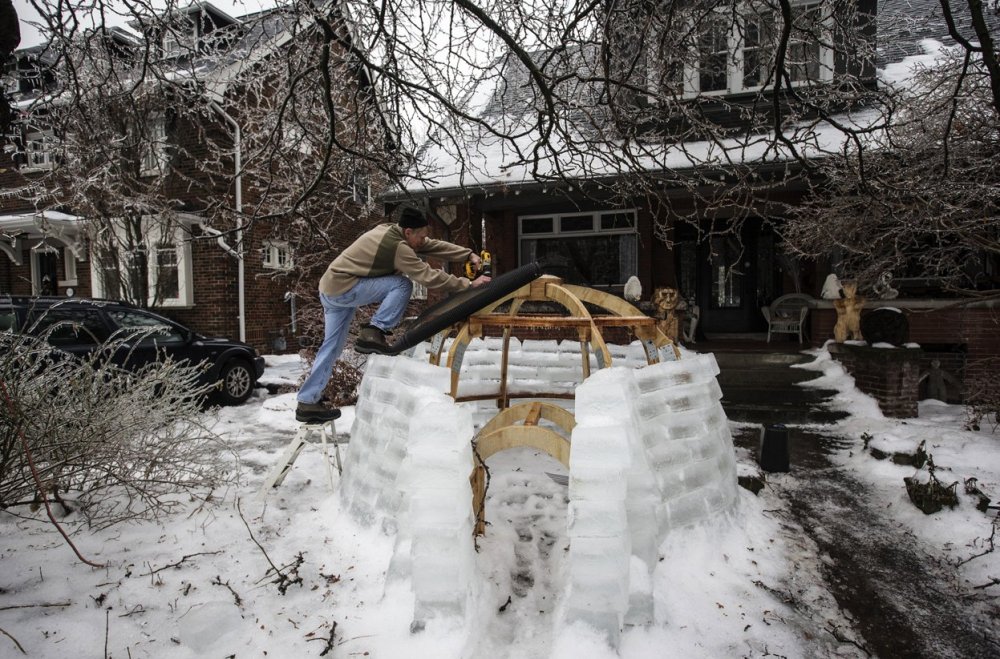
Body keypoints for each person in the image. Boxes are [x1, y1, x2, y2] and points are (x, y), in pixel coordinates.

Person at [295, 207, 491, 423]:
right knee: (402, 284)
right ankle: (374, 331)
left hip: (330, 289)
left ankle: (307, 401)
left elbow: (432, 245)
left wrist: (467, 254)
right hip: (345, 289)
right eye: (421, 235)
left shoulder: (391, 230)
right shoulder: (399, 248)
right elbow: (427, 276)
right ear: (408, 232)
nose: (423, 240)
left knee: (332, 347)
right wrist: (468, 284)